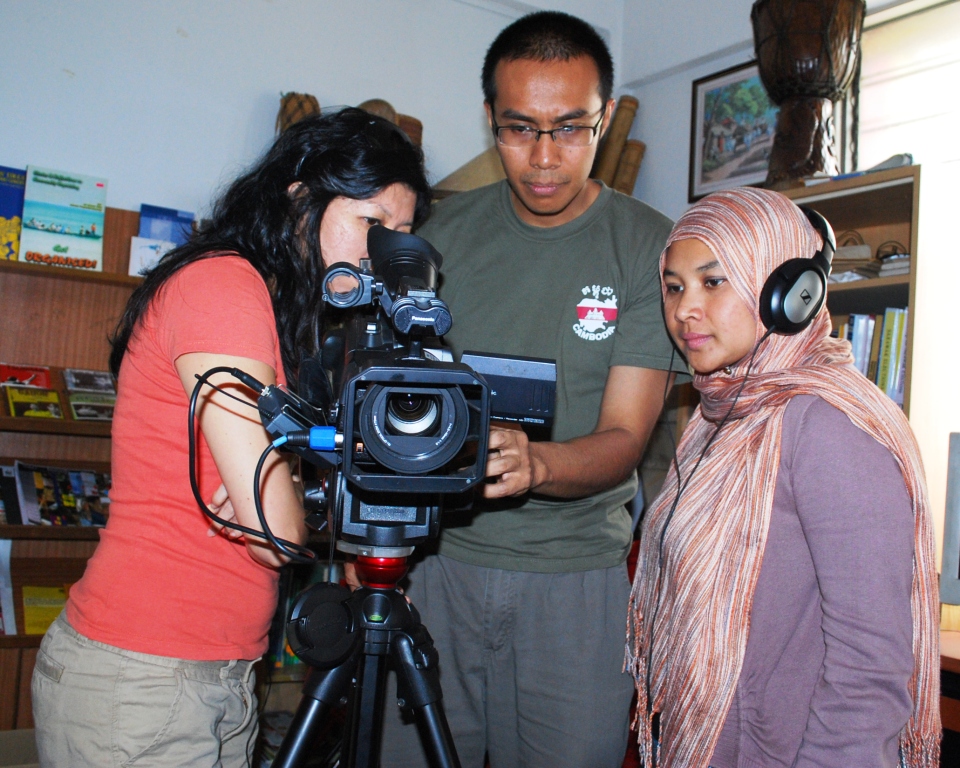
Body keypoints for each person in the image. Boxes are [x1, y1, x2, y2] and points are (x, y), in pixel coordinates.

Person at [31, 108, 432, 767]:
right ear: (301, 199)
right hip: (144, 677)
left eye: (402, 234)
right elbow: (275, 535)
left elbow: (269, 513)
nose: (384, 254)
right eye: (371, 223)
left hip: (212, 672)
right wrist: (289, 502)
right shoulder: (223, 286)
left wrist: (283, 491)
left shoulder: (270, 306)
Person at [378, 11, 685, 768]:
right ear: (489, 120)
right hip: (437, 570)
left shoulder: (648, 247)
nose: (545, 158)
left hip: (575, 587)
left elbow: (623, 440)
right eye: (520, 129)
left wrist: (538, 464)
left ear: (604, 119)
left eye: (571, 128)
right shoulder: (440, 239)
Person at [626, 187, 941, 768]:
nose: (684, 309)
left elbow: (869, 668)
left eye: (713, 281)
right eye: (674, 286)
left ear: (787, 294)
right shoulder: (718, 414)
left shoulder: (830, 428)